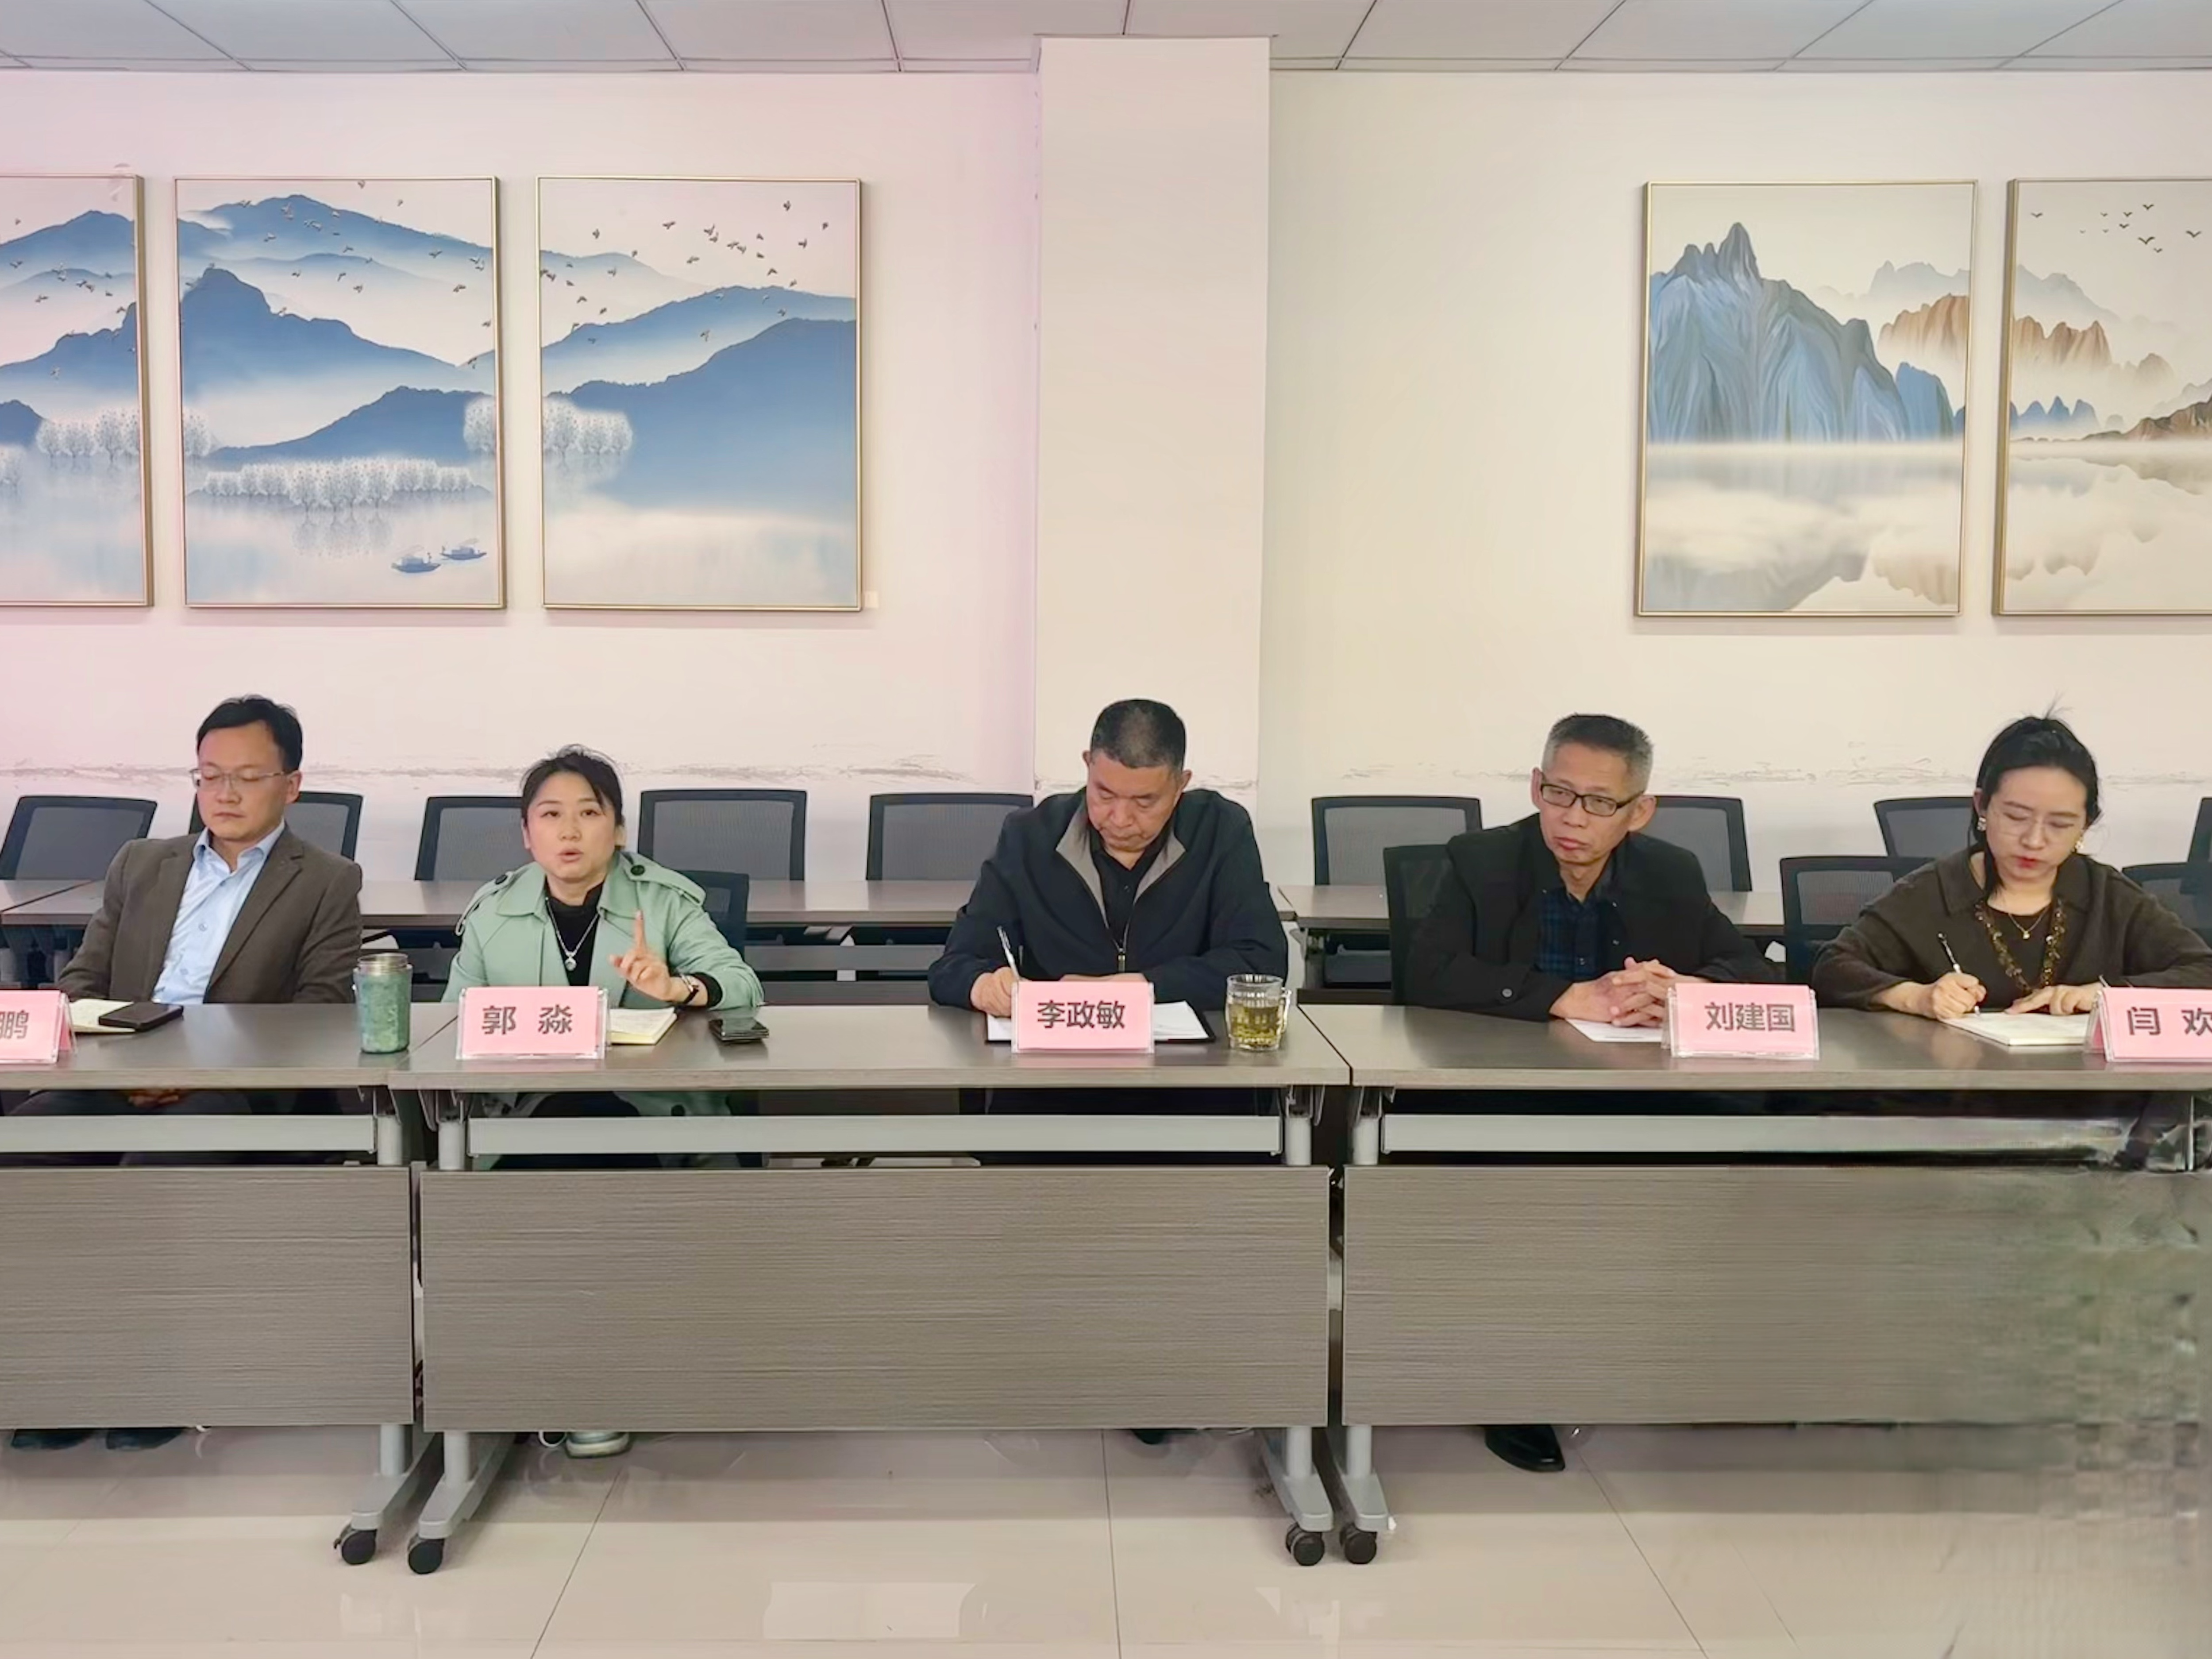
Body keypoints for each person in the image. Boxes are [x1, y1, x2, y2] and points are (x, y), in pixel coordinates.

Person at [1404, 713, 1773, 1476]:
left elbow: (1751, 970)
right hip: (1503, 1090)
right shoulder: (1479, 861)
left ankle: (1696, 1357)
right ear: (1535, 787)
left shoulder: (1669, 873)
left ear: (1639, 811)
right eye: (1558, 794)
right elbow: (1426, 972)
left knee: (1754, 1139)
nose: (1572, 818)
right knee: (1528, 1193)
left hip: (1628, 1090)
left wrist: (1685, 987)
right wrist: (1559, 995)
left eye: (1599, 803)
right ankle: (1518, 1387)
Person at [7, 694, 364, 1454]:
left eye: (247, 777)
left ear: (292, 785)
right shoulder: (141, 863)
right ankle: (57, 1376)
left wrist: (194, 1065)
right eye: (209, 776)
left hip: (240, 1087)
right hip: (115, 1074)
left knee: (156, 1165)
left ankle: (152, 1379)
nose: (225, 794)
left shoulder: (326, 879)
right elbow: (81, 982)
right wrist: (120, 1062)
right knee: (24, 1148)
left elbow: (321, 1011)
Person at [445, 746, 763, 1462]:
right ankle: (574, 1375)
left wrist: (680, 987)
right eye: (550, 815)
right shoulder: (493, 913)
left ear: (618, 829)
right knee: (557, 1139)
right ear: (525, 832)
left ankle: (576, 1382)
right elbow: (452, 1029)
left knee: (583, 1141)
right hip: (521, 1118)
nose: (569, 831)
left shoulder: (665, 901)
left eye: (589, 813)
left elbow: (742, 985)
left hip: (647, 1117)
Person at [1813, 715, 2212, 1015]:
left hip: (2089, 1092)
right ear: (1982, 807)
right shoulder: (1933, 892)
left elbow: (2203, 970)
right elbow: (1833, 967)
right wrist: (1916, 996)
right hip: (1956, 1090)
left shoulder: (2108, 896)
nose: (2034, 841)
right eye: (2017, 817)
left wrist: (2105, 994)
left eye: (2060, 824)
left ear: (2085, 825)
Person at [929, 698, 1287, 1015]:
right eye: (1104, 794)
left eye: (1144, 802)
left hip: (1184, 1060)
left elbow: (1261, 963)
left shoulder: (1219, 830)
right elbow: (955, 964)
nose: (1120, 819)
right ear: (1088, 765)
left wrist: (1140, 989)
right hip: (1056, 1057)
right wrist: (986, 987)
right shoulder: (1030, 836)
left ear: (1181, 785)